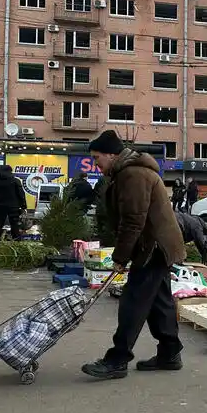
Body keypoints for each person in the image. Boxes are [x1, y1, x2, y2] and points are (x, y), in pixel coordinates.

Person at [80, 130, 187, 380]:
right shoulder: (127, 172)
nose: (96, 164)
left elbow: (133, 221)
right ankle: (170, 353)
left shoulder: (133, 174)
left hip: (152, 248)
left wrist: (120, 257)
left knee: (133, 303)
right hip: (156, 246)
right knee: (159, 303)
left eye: (97, 158)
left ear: (111, 154)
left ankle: (117, 360)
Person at [0, 164, 27, 245]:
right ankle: (16, 243)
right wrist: (23, 206)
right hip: (13, 206)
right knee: (14, 225)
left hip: (0, 206)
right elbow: (21, 194)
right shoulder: (15, 181)